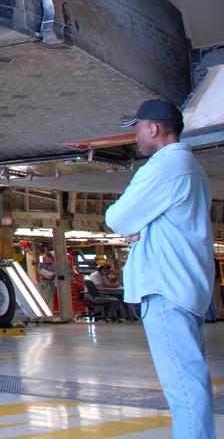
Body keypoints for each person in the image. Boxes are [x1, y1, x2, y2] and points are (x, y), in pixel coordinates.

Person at [105, 98, 214, 439]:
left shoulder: (163, 168)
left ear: (152, 128)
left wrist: (133, 226)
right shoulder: (190, 168)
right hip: (184, 287)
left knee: (183, 385)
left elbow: (117, 217)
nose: (136, 137)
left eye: (138, 129)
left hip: (165, 289)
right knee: (190, 380)